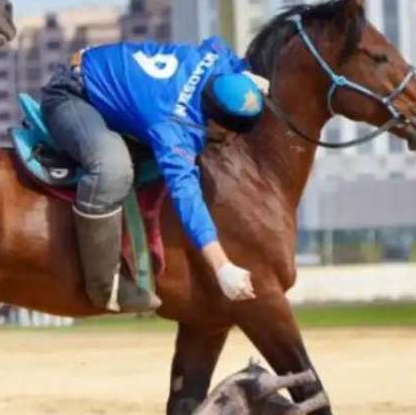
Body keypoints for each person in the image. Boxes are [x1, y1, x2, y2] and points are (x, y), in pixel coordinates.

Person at [41, 36, 267, 312]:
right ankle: (104, 286)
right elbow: (185, 192)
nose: (230, 141)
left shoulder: (218, 65)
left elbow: (217, 44)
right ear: (214, 123)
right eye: (227, 135)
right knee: (112, 168)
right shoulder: (172, 128)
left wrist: (243, 72)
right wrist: (221, 266)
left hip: (102, 66)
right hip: (73, 93)